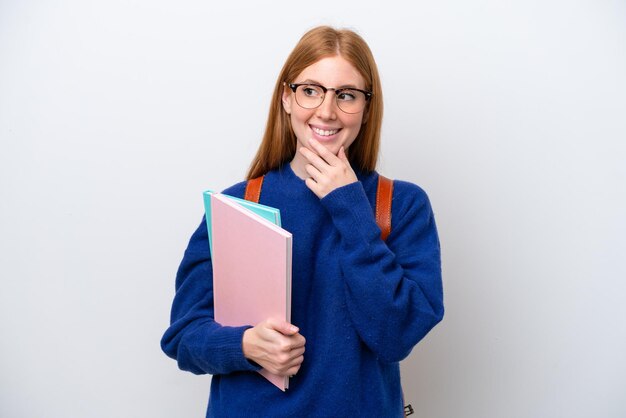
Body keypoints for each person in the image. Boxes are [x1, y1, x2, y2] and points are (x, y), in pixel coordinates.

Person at [161, 25, 444, 417]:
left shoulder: (401, 205)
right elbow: (183, 337)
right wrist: (244, 346)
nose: (326, 111)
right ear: (287, 99)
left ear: (366, 108)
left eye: (346, 95)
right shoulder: (238, 204)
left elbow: (395, 336)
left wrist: (348, 204)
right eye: (310, 90)